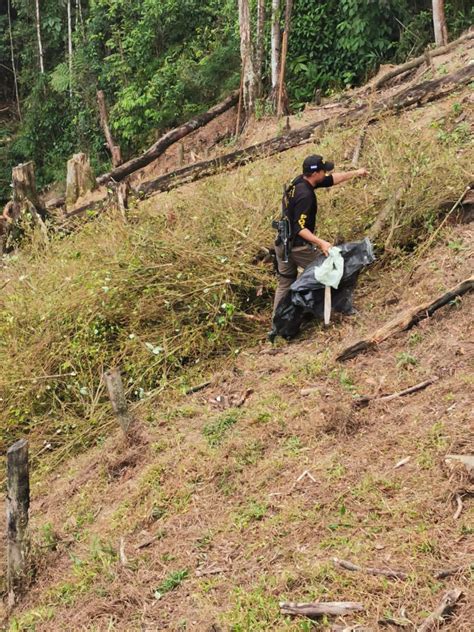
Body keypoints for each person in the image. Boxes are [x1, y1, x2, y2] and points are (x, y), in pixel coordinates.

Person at [273, 154, 369, 313]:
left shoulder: (299, 181)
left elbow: (331, 179)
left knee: (285, 283)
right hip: (297, 247)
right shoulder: (306, 196)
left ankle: (278, 324)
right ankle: (342, 309)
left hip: (281, 242)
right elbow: (300, 228)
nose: (325, 173)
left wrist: (356, 173)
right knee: (331, 272)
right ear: (316, 173)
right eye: (323, 170)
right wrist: (321, 243)